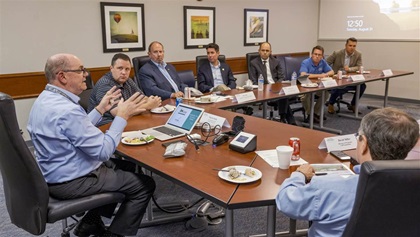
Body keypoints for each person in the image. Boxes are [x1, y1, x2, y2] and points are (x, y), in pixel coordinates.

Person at [27, 53, 156, 237]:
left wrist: (100, 109)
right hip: (72, 181)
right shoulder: (67, 109)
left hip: (54, 173)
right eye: (80, 70)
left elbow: (76, 130)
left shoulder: (44, 100)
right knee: (144, 185)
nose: (86, 74)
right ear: (62, 76)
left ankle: (91, 221)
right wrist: (121, 116)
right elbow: (102, 152)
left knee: (127, 166)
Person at [276, 107, 419, 237]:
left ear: (363, 144)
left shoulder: (328, 188)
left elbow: (286, 201)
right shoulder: (413, 188)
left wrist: (299, 174)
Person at [88, 53, 161, 126]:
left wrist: (151, 100)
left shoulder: (127, 80)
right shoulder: (105, 84)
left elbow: (142, 98)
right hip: (105, 126)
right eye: (120, 68)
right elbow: (118, 112)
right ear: (111, 69)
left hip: (124, 121)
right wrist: (148, 105)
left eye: (127, 69)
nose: (124, 72)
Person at [249, 42, 296, 125]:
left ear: (271, 52)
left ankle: (284, 118)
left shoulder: (276, 61)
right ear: (259, 51)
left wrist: (275, 86)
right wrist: (265, 88)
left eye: (267, 50)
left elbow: (281, 77)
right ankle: (287, 119)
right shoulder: (254, 63)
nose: (265, 52)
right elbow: (254, 80)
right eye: (263, 50)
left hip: (276, 87)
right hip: (263, 90)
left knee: (283, 94)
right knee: (283, 96)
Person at [326, 37, 366, 114]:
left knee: (362, 86)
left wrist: (350, 69)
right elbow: (326, 63)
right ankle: (331, 104)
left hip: (349, 79)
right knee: (340, 86)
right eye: (350, 45)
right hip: (337, 77)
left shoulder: (358, 54)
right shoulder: (337, 53)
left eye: (354, 46)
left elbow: (359, 66)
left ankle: (353, 104)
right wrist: (330, 74)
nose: (352, 48)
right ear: (346, 45)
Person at [300, 45, 334, 123]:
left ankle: (314, 113)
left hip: (316, 86)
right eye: (315, 54)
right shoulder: (306, 62)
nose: (317, 56)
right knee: (304, 95)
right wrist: (320, 75)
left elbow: (331, 72)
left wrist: (325, 75)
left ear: (322, 56)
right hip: (305, 86)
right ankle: (310, 114)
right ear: (312, 54)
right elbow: (303, 75)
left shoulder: (323, 62)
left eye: (319, 55)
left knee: (325, 93)